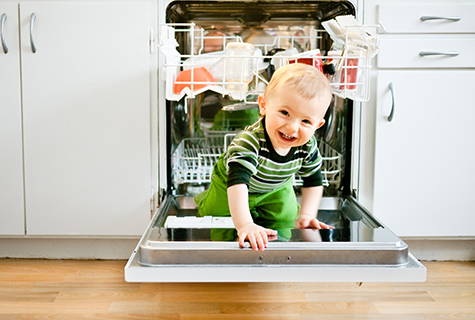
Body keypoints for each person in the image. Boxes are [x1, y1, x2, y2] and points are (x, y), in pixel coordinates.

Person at [194, 63, 334, 251]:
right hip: (232, 184)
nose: (292, 127)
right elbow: (238, 183)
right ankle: (204, 199)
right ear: (264, 106)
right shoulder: (249, 141)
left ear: (318, 125)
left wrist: (307, 215)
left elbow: (314, 179)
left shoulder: (307, 146)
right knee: (215, 215)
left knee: (288, 217)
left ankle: (264, 214)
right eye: (285, 113)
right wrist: (245, 225)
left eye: (306, 121)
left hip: (275, 186)